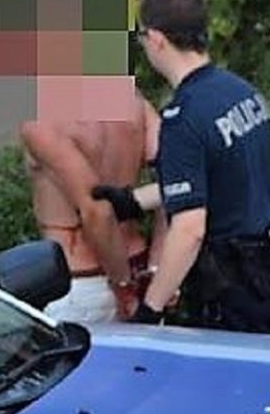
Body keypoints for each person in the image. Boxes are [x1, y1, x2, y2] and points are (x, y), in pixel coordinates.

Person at [96, 0, 270, 334]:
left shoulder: (183, 118)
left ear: (156, 39)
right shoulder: (238, 91)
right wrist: (134, 201)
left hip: (233, 287)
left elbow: (189, 230)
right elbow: (222, 175)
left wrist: (151, 309)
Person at [20, 93, 164, 322]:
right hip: (140, 268)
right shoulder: (133, 103)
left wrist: (123, 286)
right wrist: (158, 267)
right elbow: (176, 183)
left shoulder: (44, 122)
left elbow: (97, 211)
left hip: (82, 285)